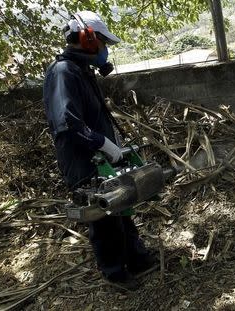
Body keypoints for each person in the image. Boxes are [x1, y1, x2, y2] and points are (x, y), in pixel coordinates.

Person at [43, 10, 155, 290]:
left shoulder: (81, 71)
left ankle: (138, 259)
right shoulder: (63, 72)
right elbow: (67, 121)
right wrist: (102, 143)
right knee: (104, 219)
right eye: (104, 44)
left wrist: (113, 145)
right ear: (88, 39)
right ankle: (115, 273)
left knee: (122, 205)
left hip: (102, 156)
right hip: (84, 161)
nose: (105, 51)